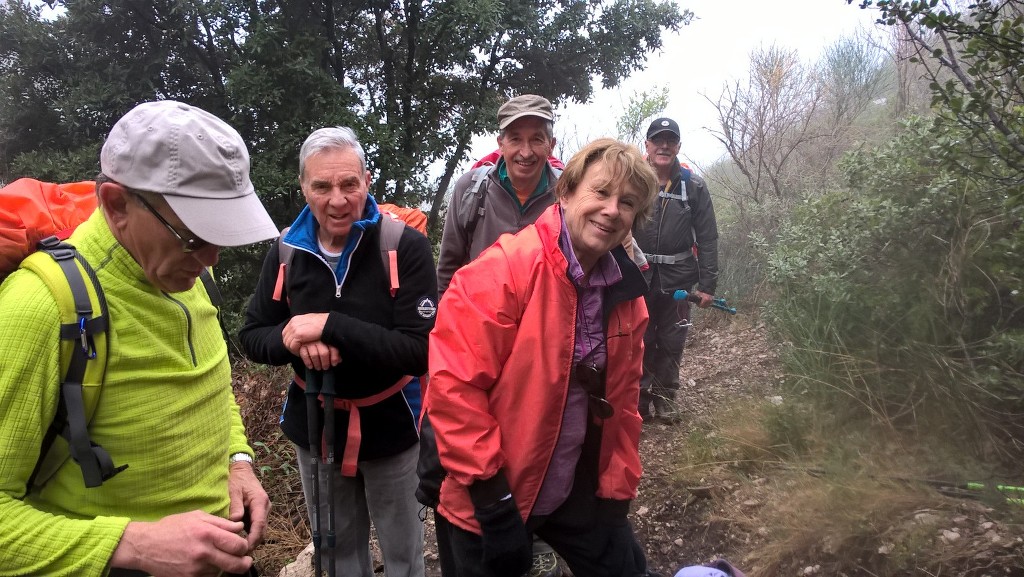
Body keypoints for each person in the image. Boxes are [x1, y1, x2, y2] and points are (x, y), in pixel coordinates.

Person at [0, 100, 276, 576]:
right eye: (192, 235)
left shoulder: (187, 278)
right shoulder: (41, 306)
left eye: (221, 236)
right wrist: (131, 544)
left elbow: (210, 388)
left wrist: (237, 460)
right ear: (116, 204)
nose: (211, 258)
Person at [426, 138, 659, 577]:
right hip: (492, 492)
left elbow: (624, 404)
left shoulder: (627, 295)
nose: (612, 209)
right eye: (600, 192)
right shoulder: (504, 271)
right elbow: (454, 390)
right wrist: (495, 506)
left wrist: (616, 492)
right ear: (567, 192)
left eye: (627, 202)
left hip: (572, 484)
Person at [238, 126, 436, 577]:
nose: (338, 199)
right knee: (338, 554)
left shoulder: (403, 245)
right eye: (322, 186)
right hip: (316, 428)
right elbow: (253, 334)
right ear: (303, 188)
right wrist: (291, 339)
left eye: (349, 184)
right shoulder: (288, 249)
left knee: (405, 555)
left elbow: (419, 349)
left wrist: (332, 326)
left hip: (391, 425)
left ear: (367, 180)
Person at [427, 93, 564, 577]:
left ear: (551, 142)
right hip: (479, 336)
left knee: (534, 434)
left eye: (536, 138)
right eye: (516, 138)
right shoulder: (472, 190)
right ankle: (470, 520)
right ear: (500, 142)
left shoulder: (568, 192)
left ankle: (534, 533)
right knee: (470, 423)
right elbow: (448, 270)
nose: (526, 151)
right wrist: (446, 344)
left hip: (545, 341)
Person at [633, 117, 720, 424]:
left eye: (670, 141)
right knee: (638, 340)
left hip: (679, 278)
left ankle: (666, 400)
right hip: (638, 277)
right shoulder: (632, 179)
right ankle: (638, 404)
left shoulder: (692, 185)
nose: (664, 146)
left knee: (672, 340)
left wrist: (708, 284)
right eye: (658, 140)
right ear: (647, 145)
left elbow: (708, 236)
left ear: (679, 146)